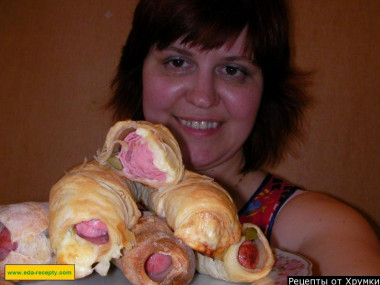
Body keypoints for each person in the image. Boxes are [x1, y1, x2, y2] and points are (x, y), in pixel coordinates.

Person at [107, 0, 380, 275]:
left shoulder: (319, 232)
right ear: (138, 73)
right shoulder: (85, 213)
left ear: (266, 91)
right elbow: (62, 274)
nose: (203, 97)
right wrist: (63, 272)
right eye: (177, 62)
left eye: (232, 70)